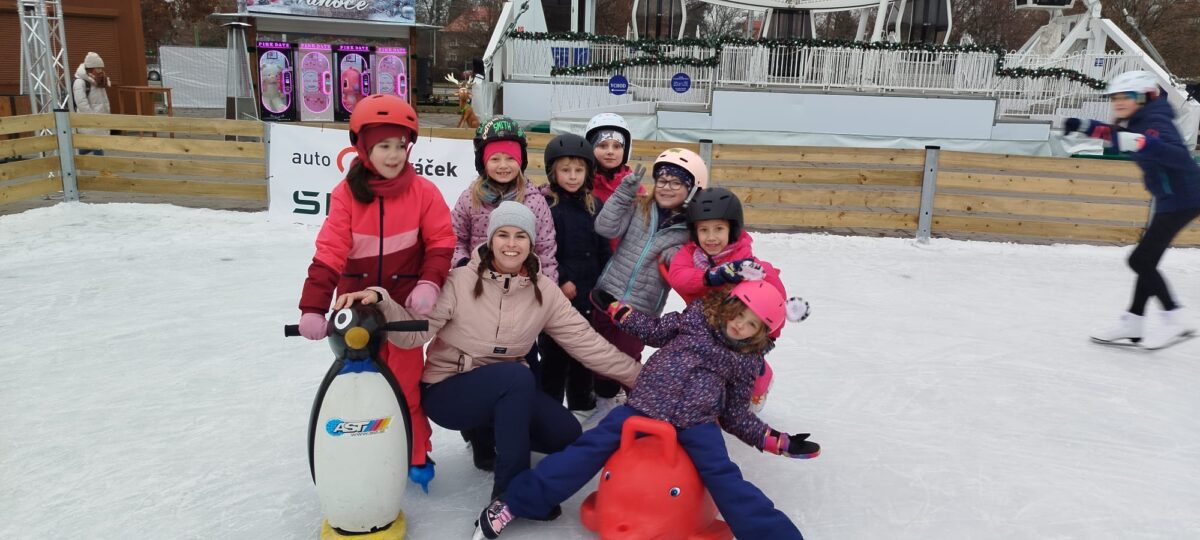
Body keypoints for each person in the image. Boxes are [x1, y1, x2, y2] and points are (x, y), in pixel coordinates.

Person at [334, 201, 642, 508]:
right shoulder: (459, 281)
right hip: (448, 389)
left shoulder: (545, 291)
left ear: (531, 243)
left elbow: (588, 343)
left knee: (565, 434)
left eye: (520, 236)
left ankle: (492, 430)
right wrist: (382, 300)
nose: (511, 244)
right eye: (503, 235)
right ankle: (511, 492)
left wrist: (643, 377)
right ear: (490, 239)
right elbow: (414, 335)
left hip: (508, 392)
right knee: (516, 376)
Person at [472, 281, 818, 540]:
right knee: (584, 451)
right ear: (728, 305)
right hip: (643, 408)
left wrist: (777, 441)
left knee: (724, 477)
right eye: (739, 314)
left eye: (752, 324)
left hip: (696, 424)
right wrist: (617, 310)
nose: (740, 325)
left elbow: (736, 414)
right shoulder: (695, 319)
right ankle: (517, 502)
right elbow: (652, 330)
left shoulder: (745, 361)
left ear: (760, 334)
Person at [296, 94, 454, 489]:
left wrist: (429, 281)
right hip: (357, 310)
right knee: (358, 384)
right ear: (363, 147)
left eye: (400, 145)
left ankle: (414, 453)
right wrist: (313, 306)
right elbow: (329, 252)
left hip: (403, 311)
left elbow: (440, 242)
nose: (394, 154)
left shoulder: (424, 192)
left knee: (406, 386)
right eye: (384, 145)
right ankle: (359, 452)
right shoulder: (346, 196)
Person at [451, 116, 558, 469]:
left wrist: (546, 296)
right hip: (479, 295)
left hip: (521, 295)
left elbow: (546, 249)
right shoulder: (469, 199)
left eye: (510, 158)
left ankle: (517, 430)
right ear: (482, 161)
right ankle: (480, 436)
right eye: (494, 158)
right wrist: (462, 266)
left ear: (521, 161)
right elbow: (454, 238)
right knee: (479, 367)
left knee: (524, 365)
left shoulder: (535, 202)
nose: (503, 165)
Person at [1066, 71, 1200, 349]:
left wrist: (1143, 143)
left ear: (1143, 97)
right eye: (1114, 97)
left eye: (1125, 96)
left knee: (1140, 261)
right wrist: (1084, 125)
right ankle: (1134, 320)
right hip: (1175, 197)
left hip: (1183, 198)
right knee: (1147, 261)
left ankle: (1174, 318)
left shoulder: (1155, 121)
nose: (1118, 101)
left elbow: (1177, 155)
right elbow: (1117, 136)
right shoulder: (1142, 119)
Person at [585, 148, 707, 421]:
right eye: (662, 180)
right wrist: (623, 194)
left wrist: (678, 256)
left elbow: (692, 262)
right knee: (599, 353)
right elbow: (606, 228)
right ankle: (604, 400)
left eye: (676, 183)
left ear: (691, 189)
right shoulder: (639, 206)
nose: (666, 187)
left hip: (640, 308)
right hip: (607, 293)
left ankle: (641, 409)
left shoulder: (690, 229)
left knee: (628, 357)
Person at [667, 187, 792, 411]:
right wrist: (711, 276)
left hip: (742, 331)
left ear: (731, 229)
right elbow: (678, 276)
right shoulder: (690, 254)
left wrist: (766, 338)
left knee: (741, 367)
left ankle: (761, 376)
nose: (711, 237)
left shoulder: (748, 265)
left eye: (719, 229)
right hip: (704, 327)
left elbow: (776, 302)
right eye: (704, 230)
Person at [537, 133, 611, 416]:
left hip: (588, 294)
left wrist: (605, 283)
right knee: (554, 356)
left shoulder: (595, 205)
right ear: (553, 172)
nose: (572, 176)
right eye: (565, 170)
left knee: (584, 352)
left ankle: (582, 404)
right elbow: (544, 250)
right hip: (558, 296)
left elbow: (603, 248)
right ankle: (549, 408)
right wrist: (562, 279)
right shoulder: (547, 206)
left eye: (578, 170)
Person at [584, 112, 639, 203]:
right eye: (602, 146)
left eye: (617, 146)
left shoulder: (632, 184)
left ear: (625, 151)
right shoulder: (580, 181)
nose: (610, 151)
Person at [72, 52, 111, 155]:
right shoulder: (80, 82)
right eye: (98, 68)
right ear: (91, 68)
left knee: (95, 145)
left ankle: (72, 156)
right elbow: (81, 103)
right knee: (97, 145)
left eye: (101, 68)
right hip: (90, 119)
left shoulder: (99, 81)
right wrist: (91, 117)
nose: (100, 70)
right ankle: (102, 166)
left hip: (100, 119)